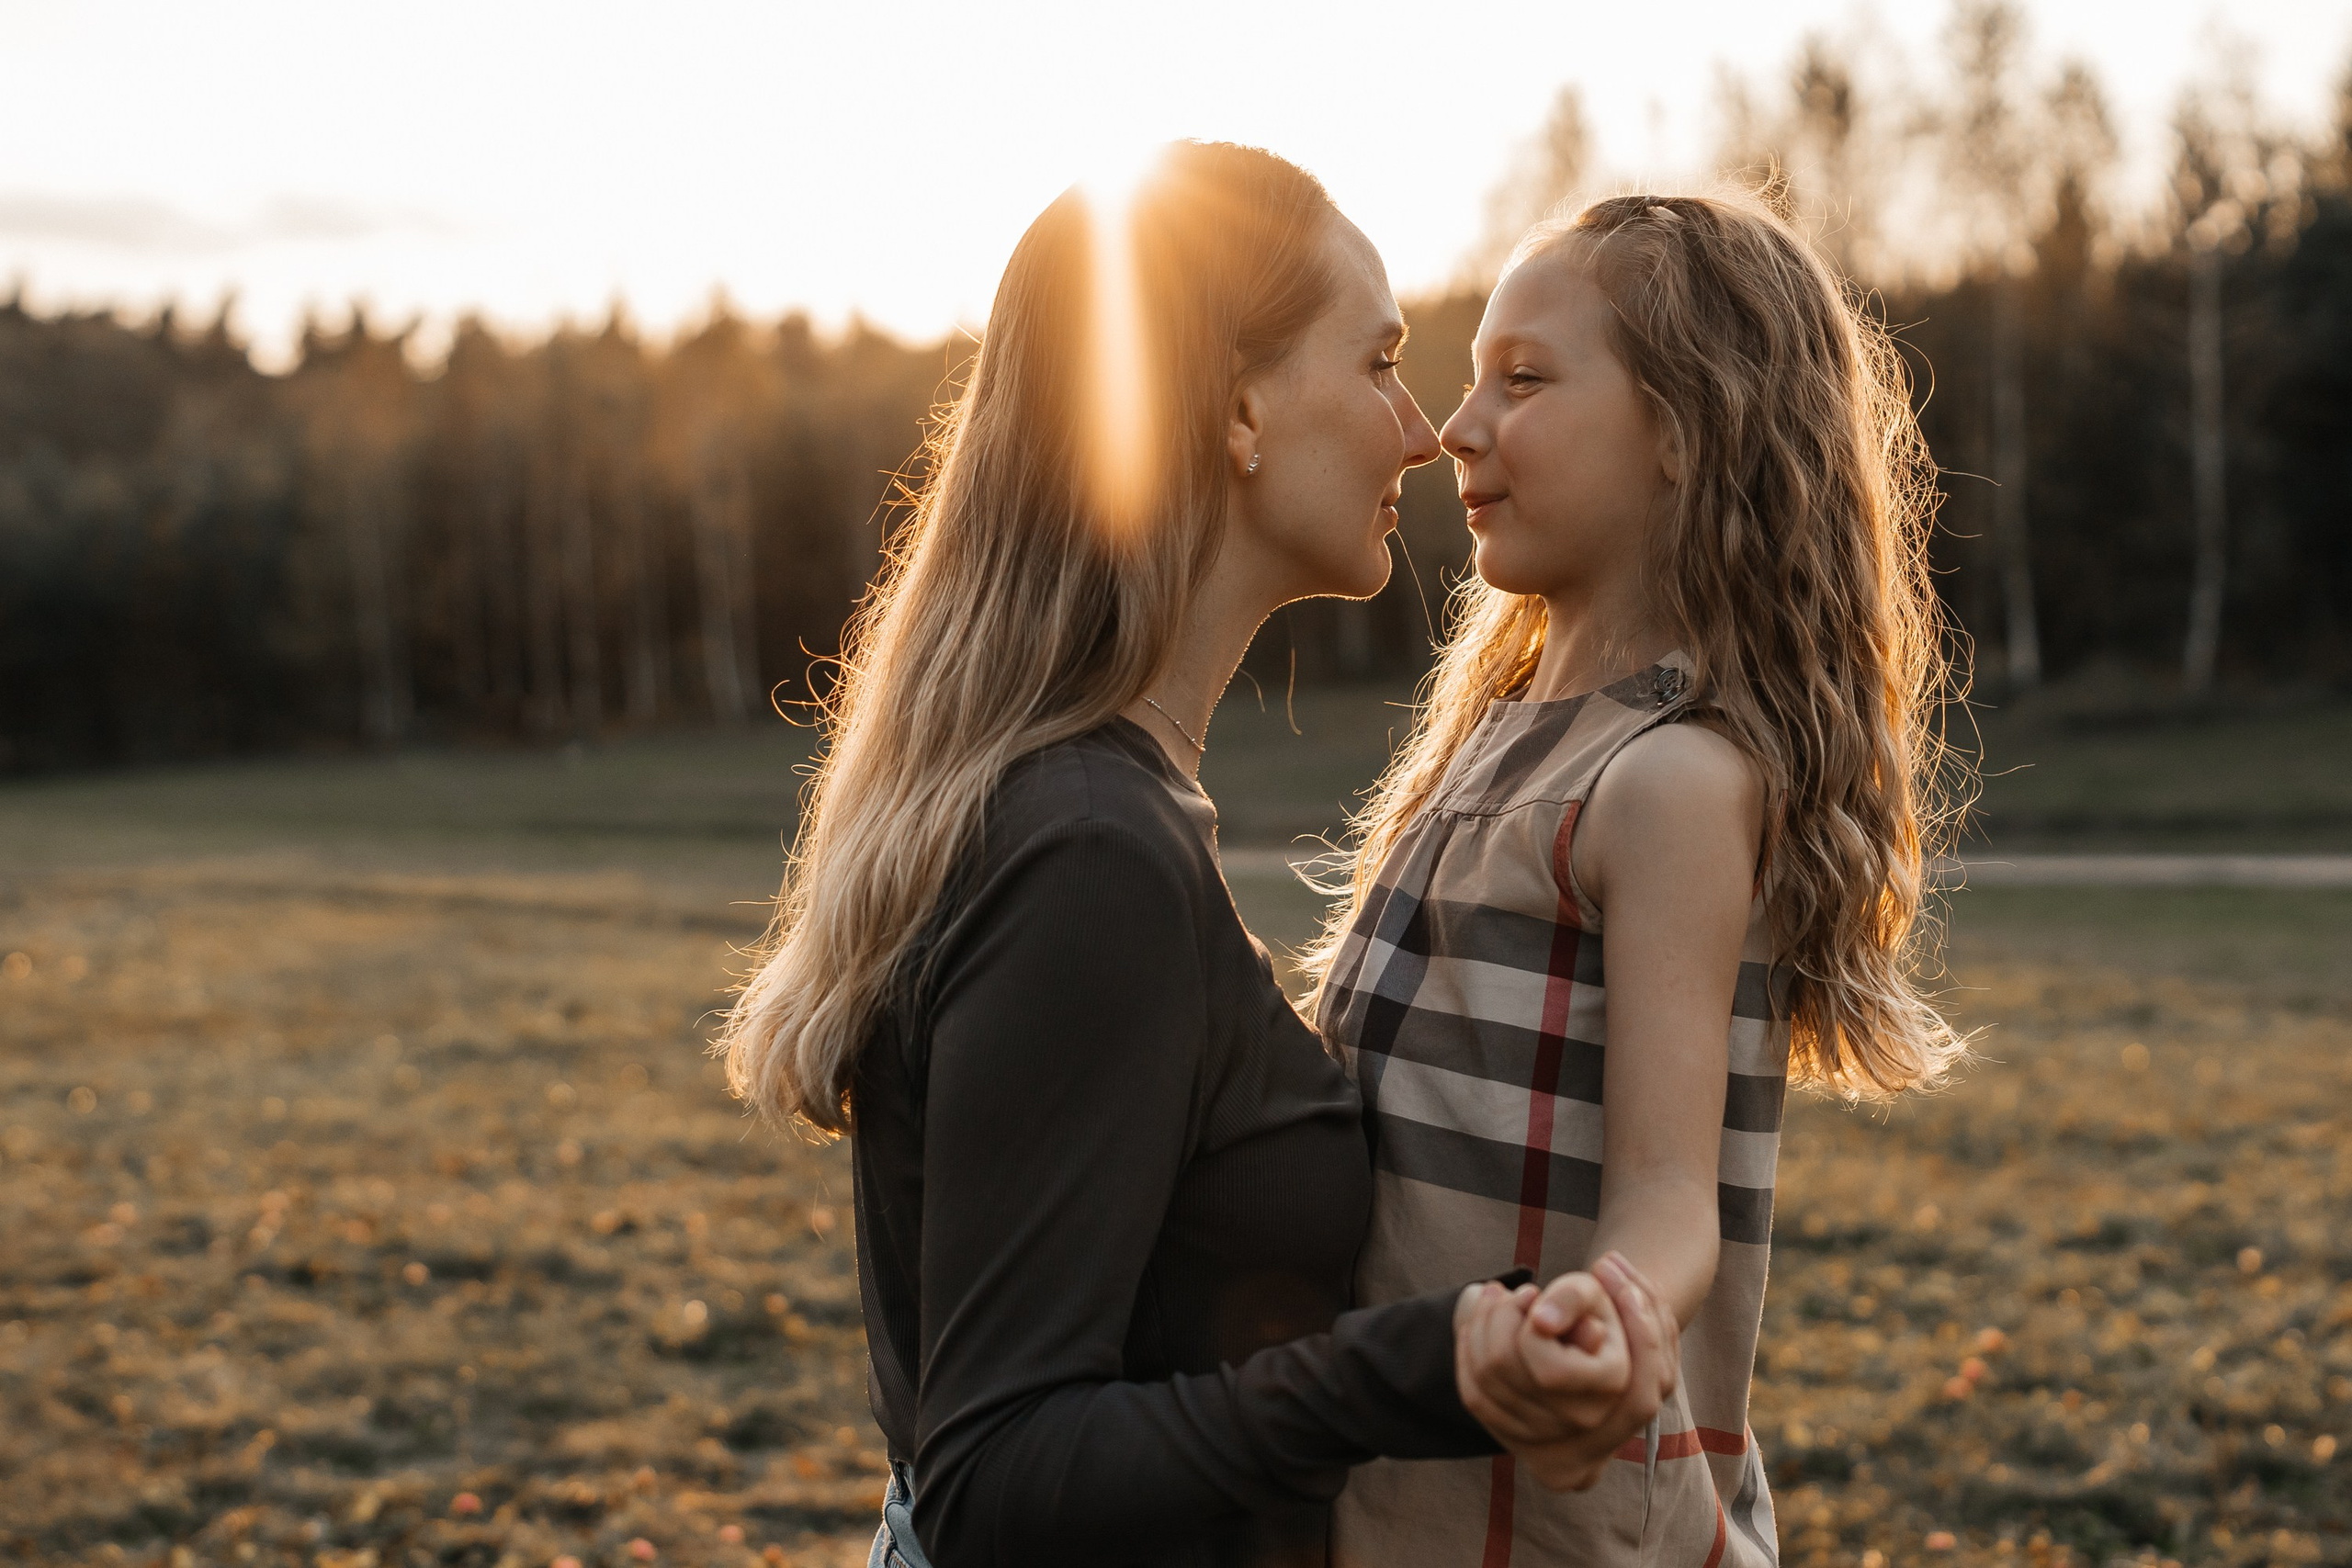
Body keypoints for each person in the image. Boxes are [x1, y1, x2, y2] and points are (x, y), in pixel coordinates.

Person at [720, 142, 1677, 1568]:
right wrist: (1428, 1368)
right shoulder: (1088, 854)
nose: (1423, 431)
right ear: (1237, 409)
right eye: (1380, 362)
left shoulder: (1106, 806)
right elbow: (997, 1476)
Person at [1310, 191, 1973, 1566]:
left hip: (1555, 1510)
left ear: (1685, 431)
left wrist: (1610, 1313)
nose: (1455, 427)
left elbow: (1676, 1197)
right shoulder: (1488, 745)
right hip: (1398, 1489)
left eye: (1526, 380)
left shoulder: (1667, 782)